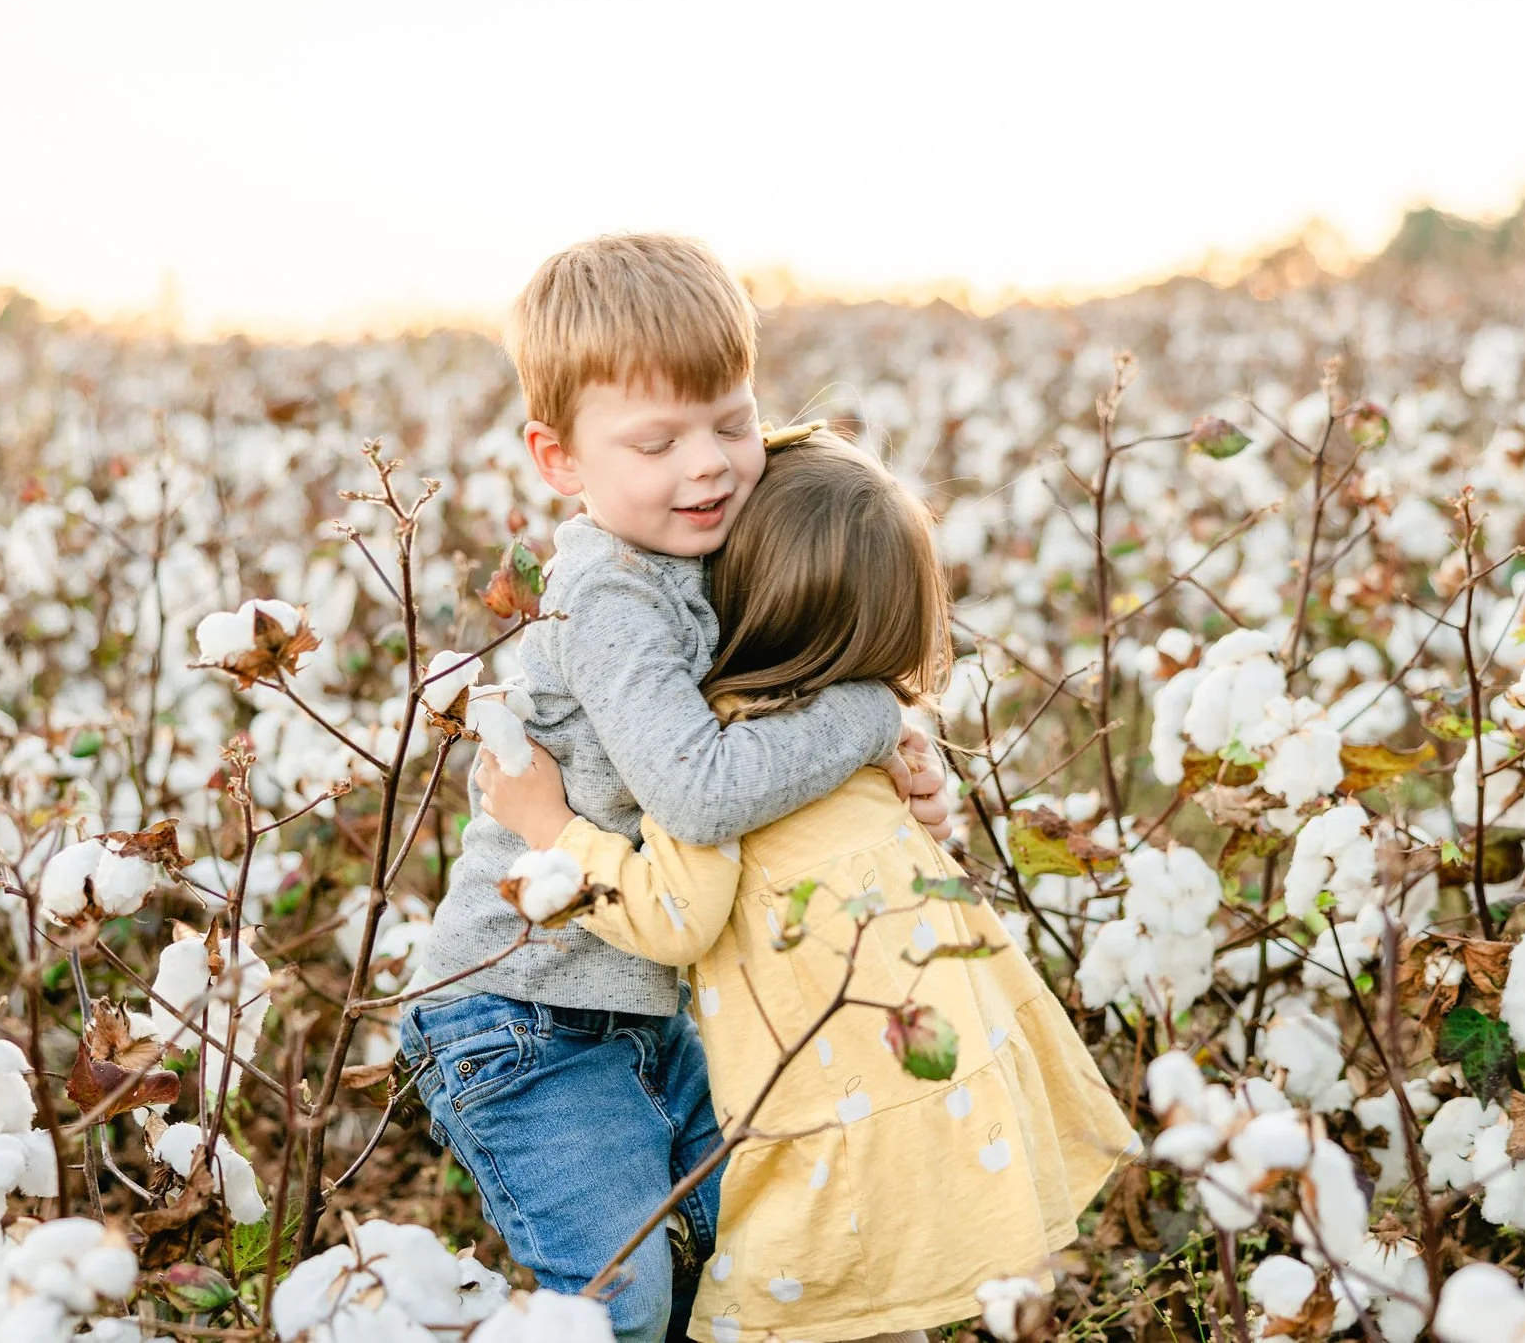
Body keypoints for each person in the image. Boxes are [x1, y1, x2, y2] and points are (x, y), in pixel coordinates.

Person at [405, 233, 949, 1343]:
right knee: (621, 1298)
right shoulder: (610, 596)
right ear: (558, 461)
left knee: (760, 1248)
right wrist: (869, 712)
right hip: (522, 1015)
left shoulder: (705, 537)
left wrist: (898, 775)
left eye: (731, 422)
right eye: (654, 441)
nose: (706, 463)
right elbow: (702, 793)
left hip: (657, 1000)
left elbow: (768, 709)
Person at [479, 430, 1138, 1343]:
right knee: (873, 1311)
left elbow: (675, 917)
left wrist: (547, 829)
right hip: (931, 1090)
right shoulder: (852, 727)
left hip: (835, 1119)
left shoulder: (725, 757)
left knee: (826, 1300)